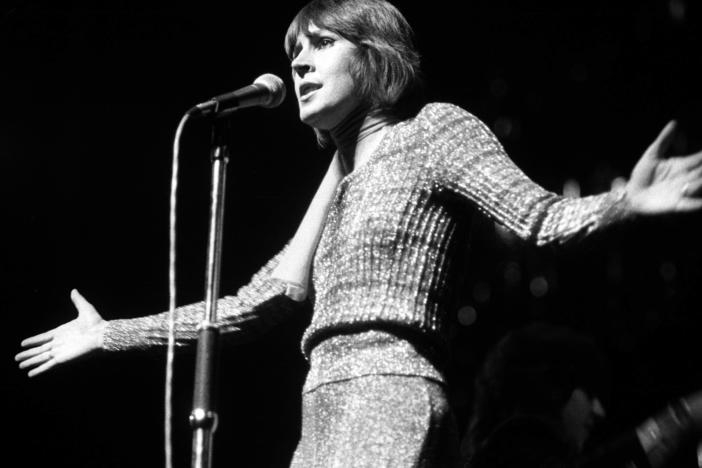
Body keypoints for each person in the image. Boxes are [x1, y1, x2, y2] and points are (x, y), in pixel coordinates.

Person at [15, 0, 702, 466]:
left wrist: (625, 204)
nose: (300, 65)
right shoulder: (337, 178)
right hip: (322, 404)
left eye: (321, 45)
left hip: (390, 392)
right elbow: (256, 304)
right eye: (294, 54)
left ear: (374, 57)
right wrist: (109, 333)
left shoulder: (436, 130)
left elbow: (540, 219)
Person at [462, 323, 702, 468]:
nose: (598, 410)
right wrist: (682, 417)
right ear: (553, 387)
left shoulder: (497, 450)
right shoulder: (515, 445)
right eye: (588, 392)